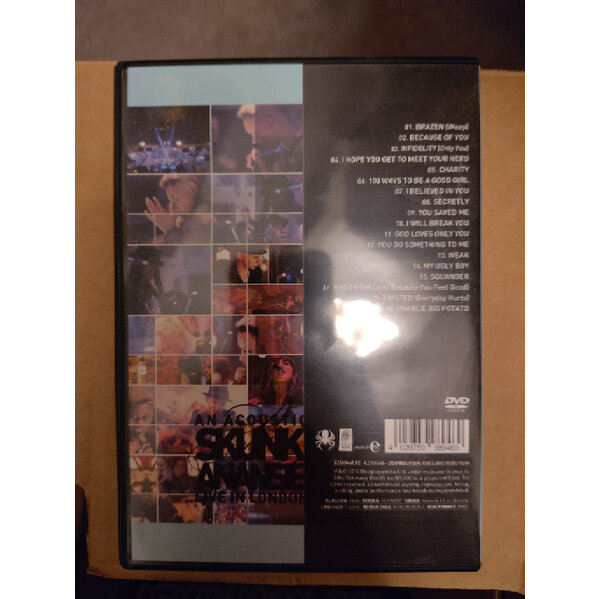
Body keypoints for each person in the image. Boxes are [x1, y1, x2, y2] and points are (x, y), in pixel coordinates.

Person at [144, 175, 210, 243]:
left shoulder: (207, 219)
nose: (172, 206)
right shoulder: (182, 221)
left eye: (176, 200)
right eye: (171, 201)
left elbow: (195, 248)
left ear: (192, 189)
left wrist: (170, 229)